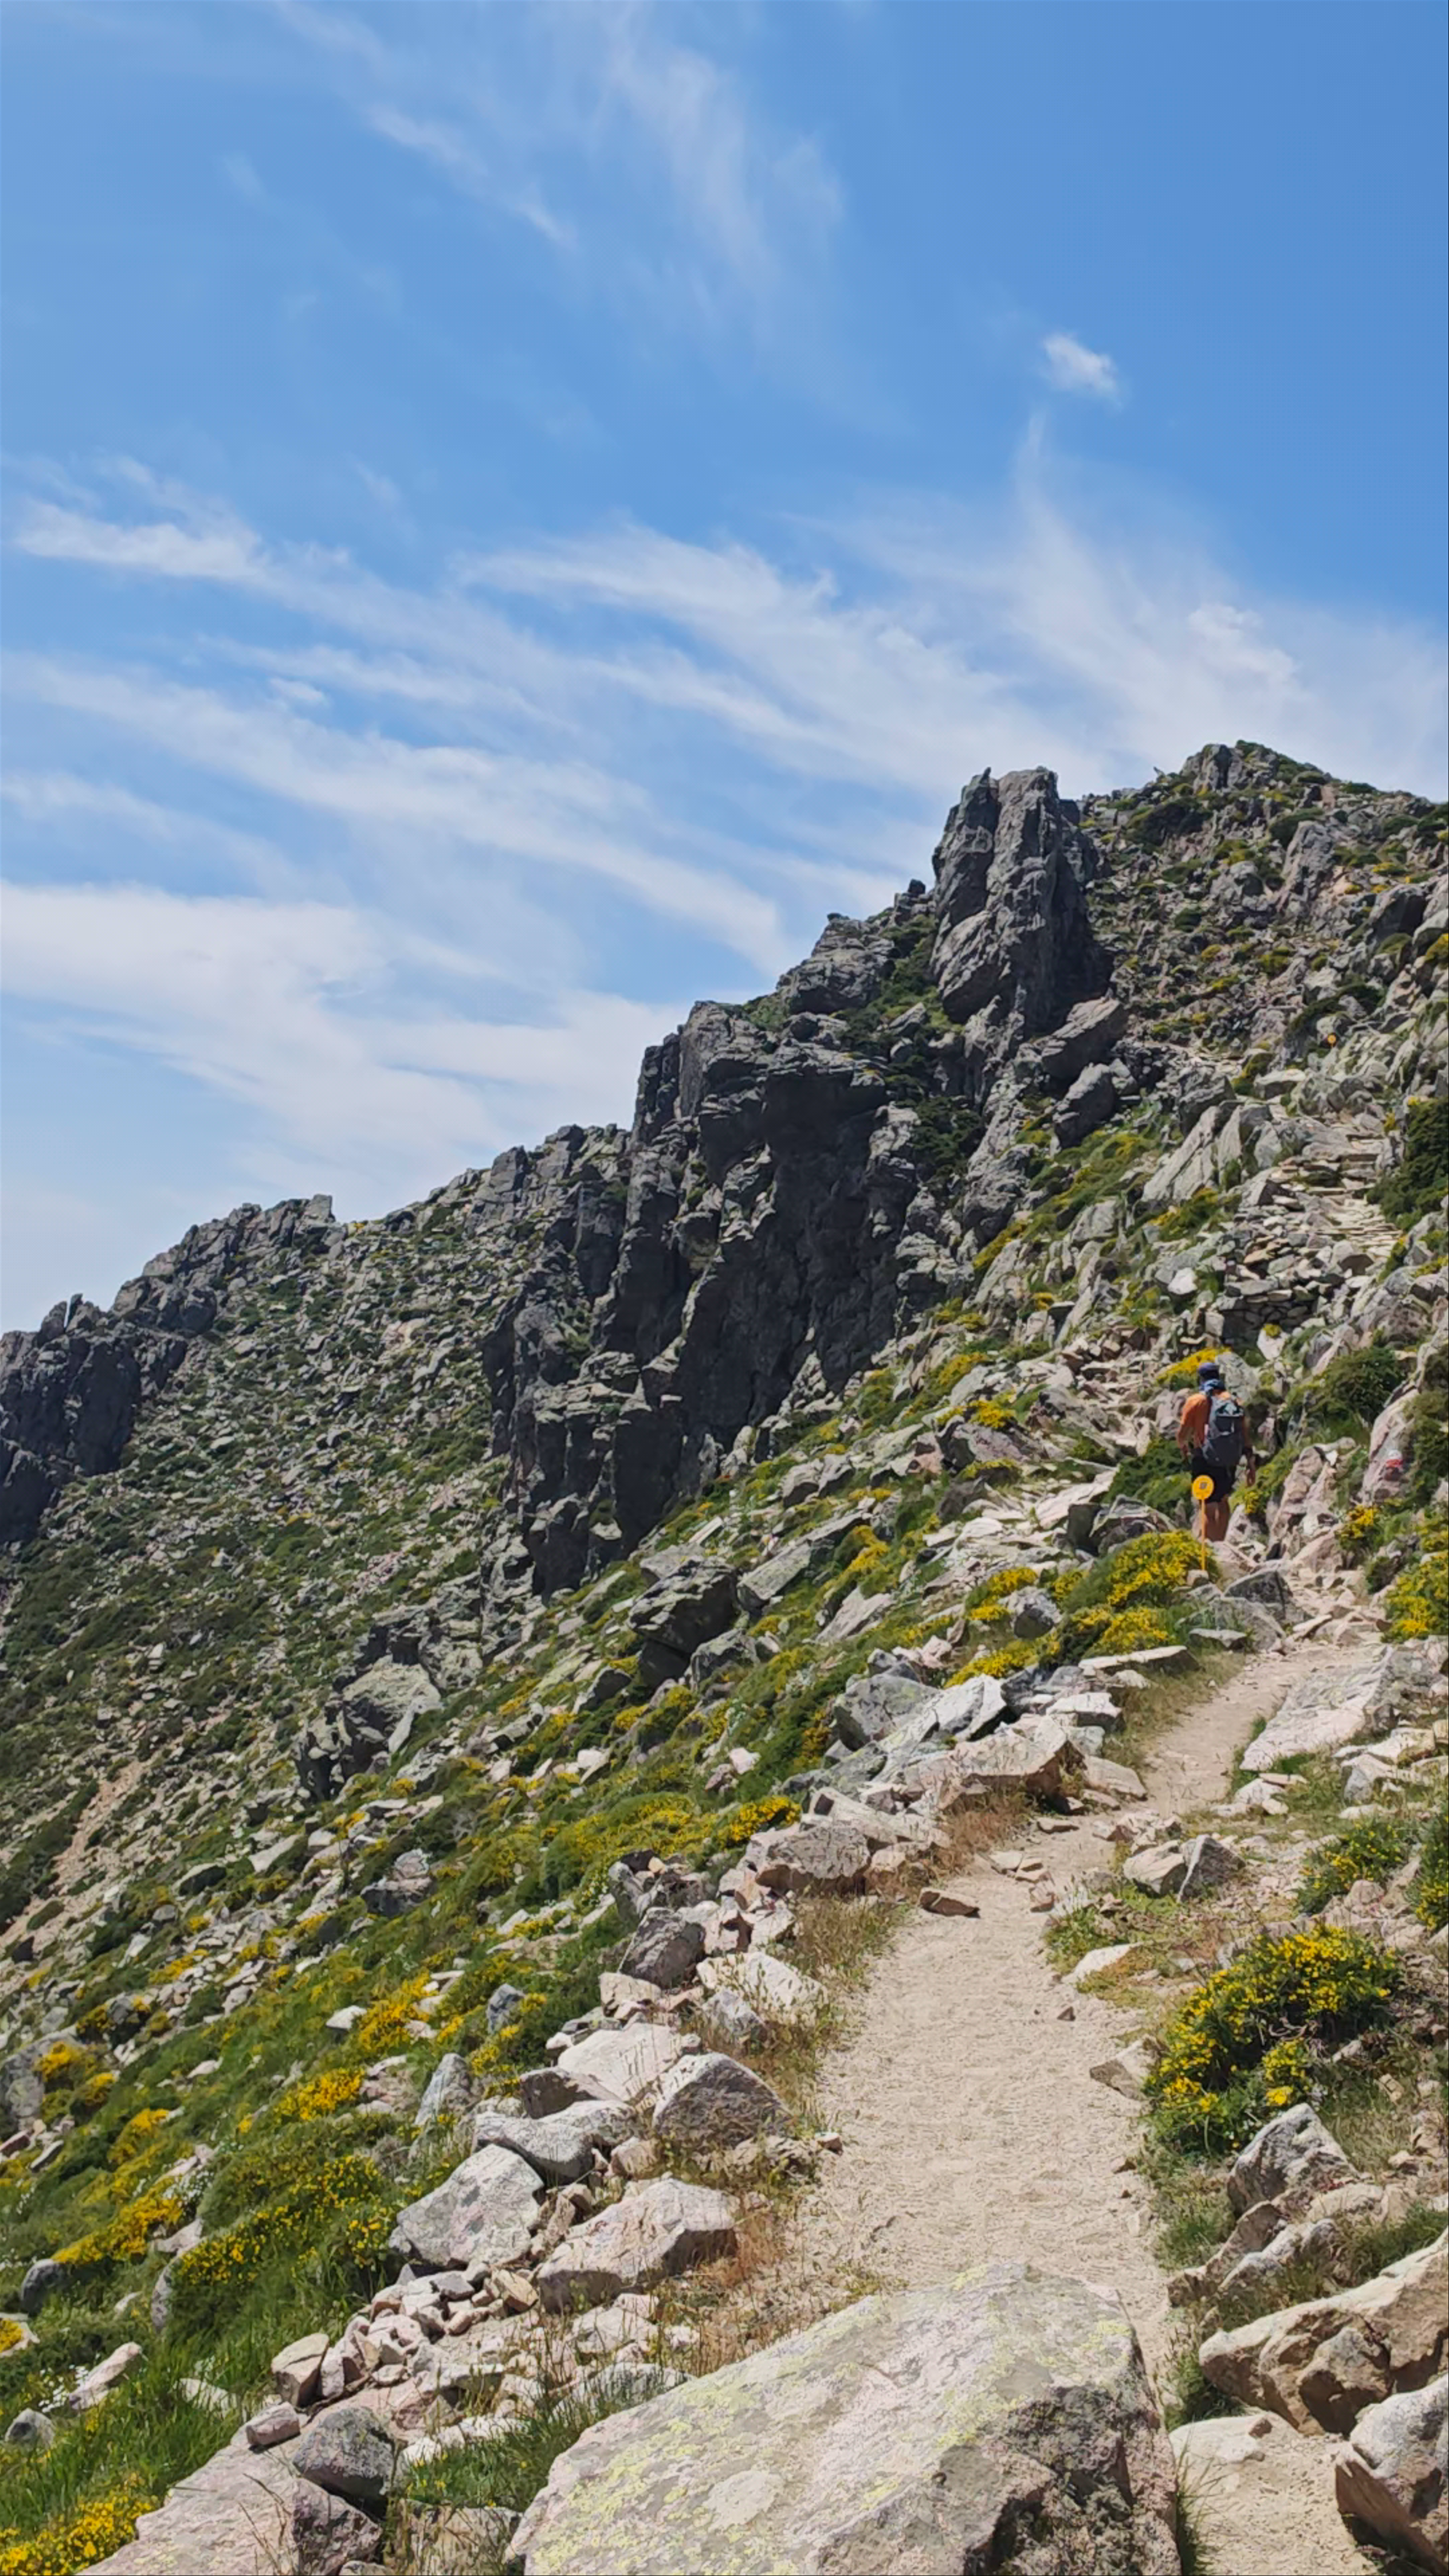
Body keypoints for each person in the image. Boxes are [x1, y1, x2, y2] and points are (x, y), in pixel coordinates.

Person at [1176, 1358, 1254, 1543]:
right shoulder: (1235, 1401)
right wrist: (1250, 1462)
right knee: (1224, 1500)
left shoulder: (1196, 1401)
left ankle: (1209, 1546)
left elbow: (1182, 1434)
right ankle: (1221, 1543)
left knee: (1208, 1504)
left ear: (1201, 1379)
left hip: (1205, 1457)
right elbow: (1245, 1435)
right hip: (1229, 1458)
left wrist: (1184, 1448)